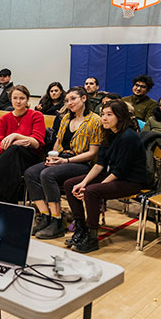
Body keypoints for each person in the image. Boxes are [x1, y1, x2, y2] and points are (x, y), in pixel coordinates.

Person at [63, 100, 147, 253]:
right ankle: (80, 228)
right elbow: (99, 164)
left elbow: (120, 171)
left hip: (131, 180)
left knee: (92, 191)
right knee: (70, 184)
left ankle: (92, 236)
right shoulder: (108, 134)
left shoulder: (129, 137)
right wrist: (83, 182)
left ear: (120, 117)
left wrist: (92, 187)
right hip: (114, 175)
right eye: (102, 114)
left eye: (109, 115)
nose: (104, 118)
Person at [24, 87, 102, 240]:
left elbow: (93, 153)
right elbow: (58, 143)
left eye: (73, 99)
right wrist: (52, 157)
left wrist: (66, 160)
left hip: (82, 163)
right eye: (67, 100)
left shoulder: (95, 120)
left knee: (47, 174)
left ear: (84, 98)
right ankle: (45, 215)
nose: (69, 103)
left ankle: (57, 220)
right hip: (62, 158)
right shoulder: (65, 118)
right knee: (30, 173)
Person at [0, 85, 45, 203]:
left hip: (29, 159)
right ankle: (7, 201)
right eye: (15, 98)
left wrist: (14, 136)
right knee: (12, 157)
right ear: (11, 99)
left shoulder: (36, 116)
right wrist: (16, 143)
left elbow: (36, 143)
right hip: (8, 159)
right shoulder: (4, 119)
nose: (18, 101)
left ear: (27, 100)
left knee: (15, 150)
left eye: (22, 98)